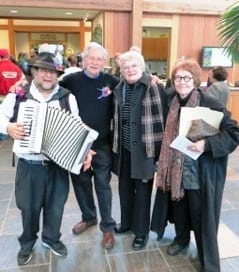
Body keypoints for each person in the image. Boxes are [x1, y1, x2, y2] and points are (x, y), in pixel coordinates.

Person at [0, 52, 94, 266]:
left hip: (58, 165)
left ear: (57, 74)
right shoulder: (19, 95)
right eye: (43, 70)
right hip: (29, 165)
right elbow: (1, 117)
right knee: (29, 208)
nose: (48, 75)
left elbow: (77, 127)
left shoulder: (67, 97)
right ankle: (27, 243)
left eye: (52, 71)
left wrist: (86, 149)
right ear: (34, 72)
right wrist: (8, 127)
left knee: (56, 206)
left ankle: (51, 239)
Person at [150, 58, 239, 272]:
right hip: (174, 169)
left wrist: (206, 144)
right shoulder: (170, 98)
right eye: (178, 78)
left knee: (200, 214)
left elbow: (233, 133)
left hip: (198, 171)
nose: (181, 82)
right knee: (179, 207)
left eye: (187, 78)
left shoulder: (209, 102)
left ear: (196, 80)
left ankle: (205, 256)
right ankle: (181, 239)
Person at [60, 42, 119, 250]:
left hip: (102, 144)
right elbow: (48, 89)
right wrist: (21, 86)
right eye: (91, 58)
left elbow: (133, 84)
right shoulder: (69, 80)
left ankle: (108, 228)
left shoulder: (111, 81)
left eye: (99, 59)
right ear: (84, 60)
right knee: (81, 184)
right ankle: (89, 217)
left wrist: (153, 80)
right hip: (76, 143)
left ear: (104, 62)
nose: (95, 62)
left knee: (103, 186)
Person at [112, 50, 166, 250]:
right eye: (126, 67)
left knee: (142, 193)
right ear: (122, 70)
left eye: (134, 66)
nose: (130, 69)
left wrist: (159, 156)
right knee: (124, 190)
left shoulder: (153, 86)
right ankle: (126, 223)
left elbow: (162, 120)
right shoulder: (120, 87)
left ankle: (141, 232)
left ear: (142, 68)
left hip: (145, 151)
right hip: (124, 150)